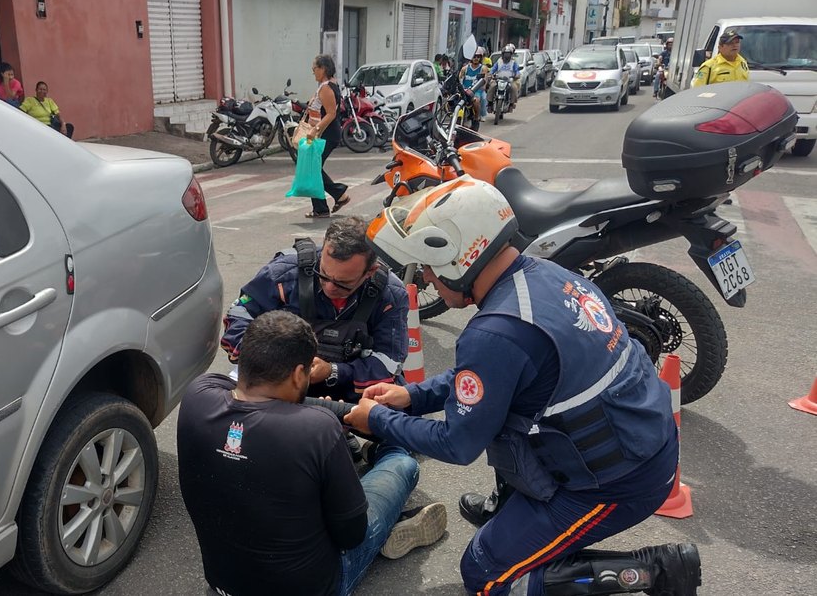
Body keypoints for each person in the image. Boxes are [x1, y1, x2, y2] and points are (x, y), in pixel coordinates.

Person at [344, 178, 702, 596]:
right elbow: (489, 380)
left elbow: (458, 444)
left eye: (427, 265)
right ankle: (520, 521)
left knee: (484, 573)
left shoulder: (496, 332)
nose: (424, 276)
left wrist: (380, 419)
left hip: (618, 483)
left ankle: (655, 570)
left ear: (459, 257)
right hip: (640, 439)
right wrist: (412, 396)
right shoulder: (544, 274)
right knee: (509, 431)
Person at [179, 310, 448, 596]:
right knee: (402, 464)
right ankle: (390, 457)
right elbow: (352, 534)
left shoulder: (198, 395)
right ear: (298, 374)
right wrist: (335, 420)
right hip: (318, 586)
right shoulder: (317, 430)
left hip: (224, 584)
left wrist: (323, 413)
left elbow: (250, 398)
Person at [221, 216, 408, 404]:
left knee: (397, 415)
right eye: (323, 275)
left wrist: (332, 371)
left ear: (370, 272)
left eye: (343, 284)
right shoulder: (283, 274)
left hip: (352, 386)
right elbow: (239, 315)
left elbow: (388, 363)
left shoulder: (390, 295)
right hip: (282, 381)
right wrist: (272, 363)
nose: (329, 287)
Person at [303, 53, 351, 218]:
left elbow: (330, 114)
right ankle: (325, 205)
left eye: (314, 68)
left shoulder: (326, 88)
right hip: (325, 133)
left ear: (323, 69)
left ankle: (336, 197)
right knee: (313, 169)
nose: (313, 72)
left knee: (312, 169)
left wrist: (314, 130)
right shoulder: (328, 85)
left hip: (326, 134)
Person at [459, 47, 489, 121]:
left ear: (481, 58)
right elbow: (460, 79)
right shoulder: (464, 68)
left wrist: (483, 86)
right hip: (465, 91)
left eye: (478, 56)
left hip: (476, 91)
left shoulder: (483, 68)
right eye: (474, 56)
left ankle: (477, 116)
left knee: (477, 101)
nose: (476, 58)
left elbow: (485, 80)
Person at [490, 46, 521, 110]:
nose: (507, 56)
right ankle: (490, 103)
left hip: (509, 80)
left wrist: (517, 75)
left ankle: (511, 104)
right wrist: (491, 74)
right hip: (498, 80)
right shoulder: (499, 62)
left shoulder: (513, 63)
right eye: (505, 54)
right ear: (502, 54)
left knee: (514, 88)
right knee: (492, 86)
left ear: (511, 54)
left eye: (508, 54)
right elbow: (493, 70)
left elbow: (517, 71)